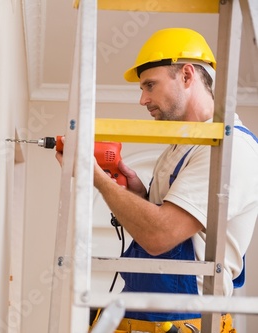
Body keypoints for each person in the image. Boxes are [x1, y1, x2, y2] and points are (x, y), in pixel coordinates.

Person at [56, 28, 258, 333]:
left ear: (187, 76)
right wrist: (139, 192)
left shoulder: (230, 151)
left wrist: (96, 179)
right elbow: (161, 225)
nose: (142, 99)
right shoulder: (181, 147)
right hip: (145, 316)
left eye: (150, 85)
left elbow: (161, 235)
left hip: (184, 322)